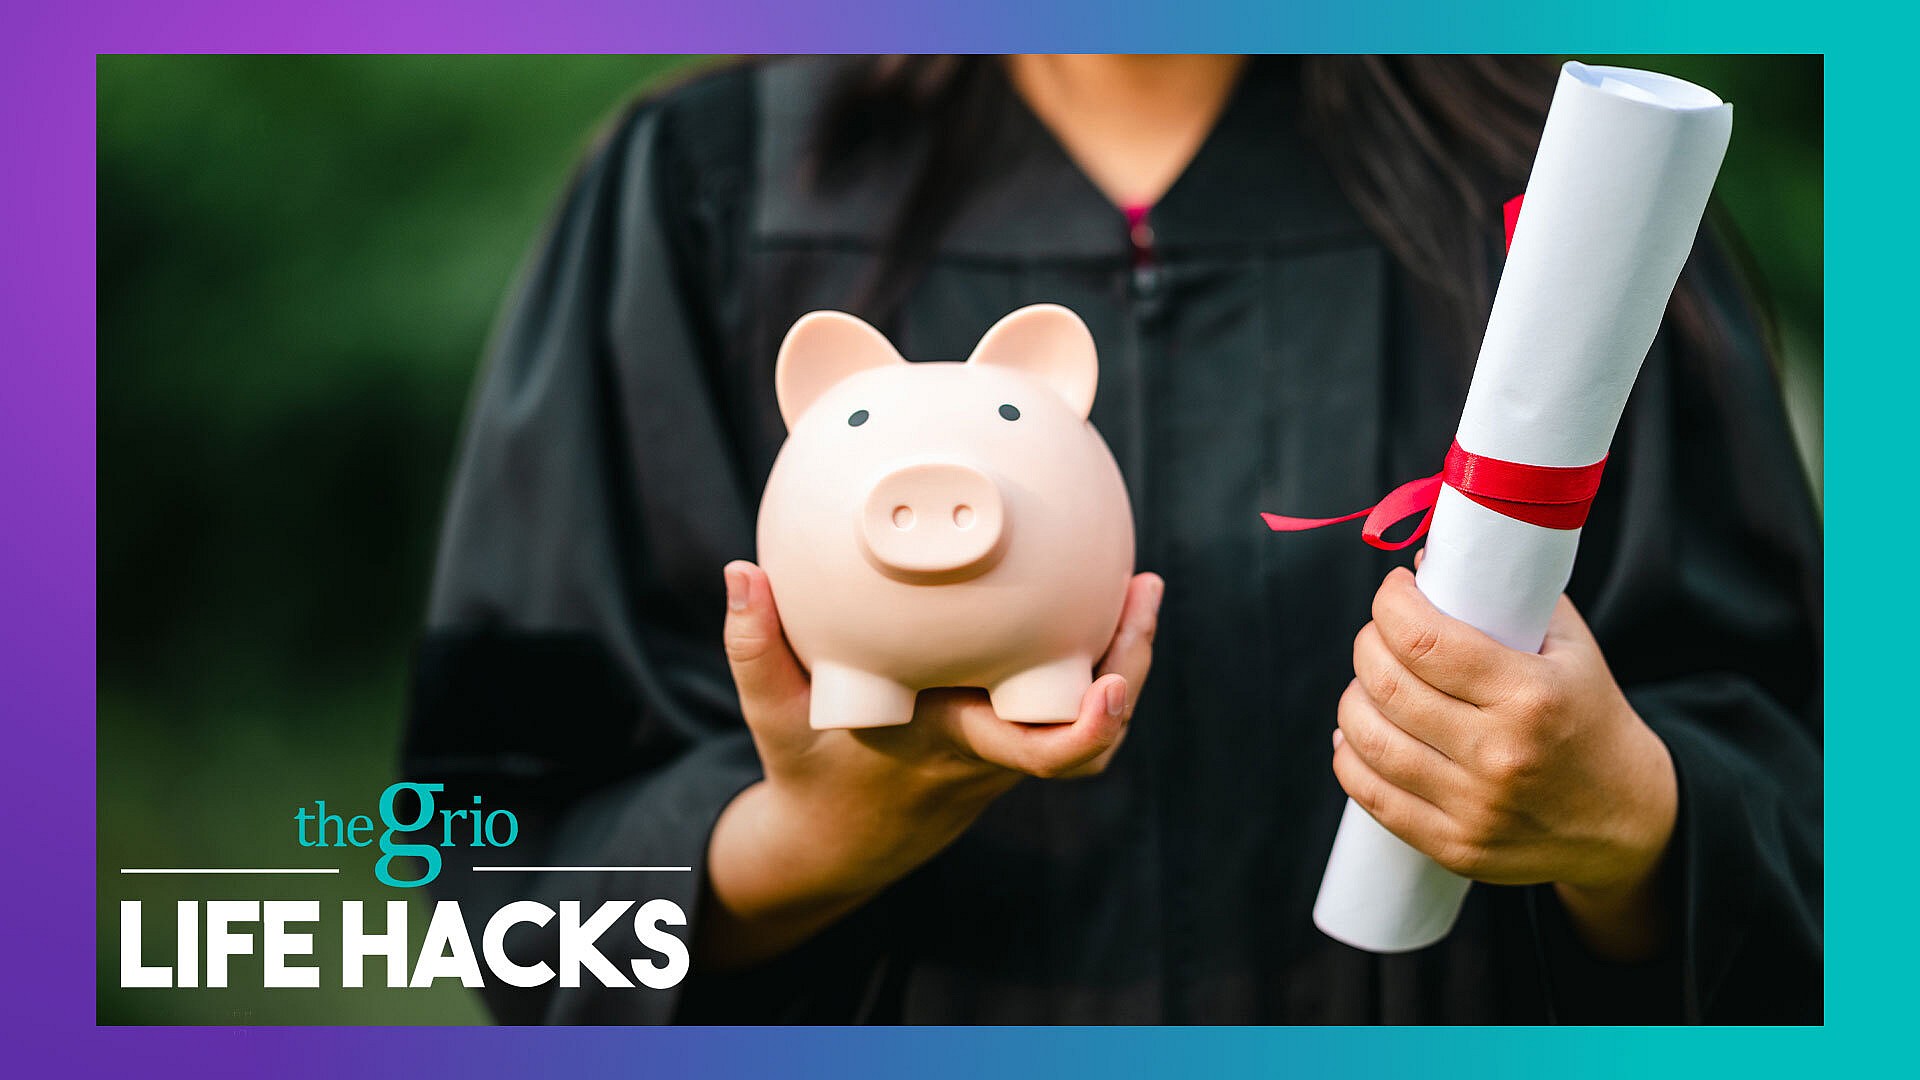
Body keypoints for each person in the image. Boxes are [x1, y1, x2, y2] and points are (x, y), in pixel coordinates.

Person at [405, 55, 1822, 1023]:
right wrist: (801, 843)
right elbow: (499, 851)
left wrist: (1630, 821)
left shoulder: (1566, 203)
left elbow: (1823, 822)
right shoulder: (710, 188)